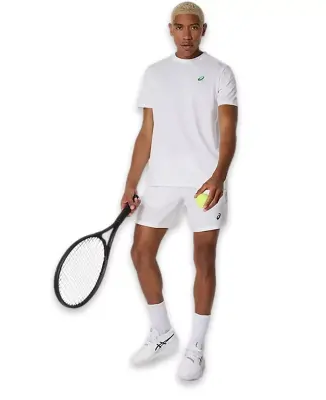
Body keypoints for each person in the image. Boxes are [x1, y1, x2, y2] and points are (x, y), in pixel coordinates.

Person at [121, 1, 238, 381]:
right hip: (161, 180)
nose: (187, 34)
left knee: (203, 258)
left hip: (205, 184)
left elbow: (228, 132)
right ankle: (163, 333)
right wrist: (131, 183)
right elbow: (146, 133)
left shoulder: (220, 72)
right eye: (180, 27)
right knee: (140, 252)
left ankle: (196, 346)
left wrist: (219, 176)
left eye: (194, 27)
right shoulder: (154, 73)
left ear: (204, 30)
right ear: (170, 29)